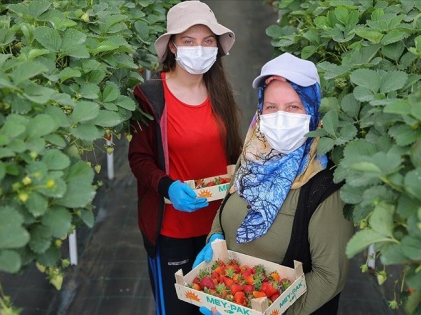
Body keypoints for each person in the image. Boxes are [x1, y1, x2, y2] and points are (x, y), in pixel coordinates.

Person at [193, 53, 355, 315]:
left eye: (293, 107)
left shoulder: (325, 186)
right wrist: (214, 238)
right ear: (260, 111)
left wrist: (272, 312)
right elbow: (225, 208)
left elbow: (329, 277)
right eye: (271, 107)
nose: (281, 117)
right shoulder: (253, 159)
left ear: (313, 112)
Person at [127, 1, 243, 314]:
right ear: (174, 47)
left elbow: (233, 153)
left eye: (207, 41)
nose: (199, 49)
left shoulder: (220, 91)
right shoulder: (150, 96)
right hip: (172, 230)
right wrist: (167, 187)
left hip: (217, 228)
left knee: (218, 304)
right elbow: (139, 158)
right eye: (189, 41)